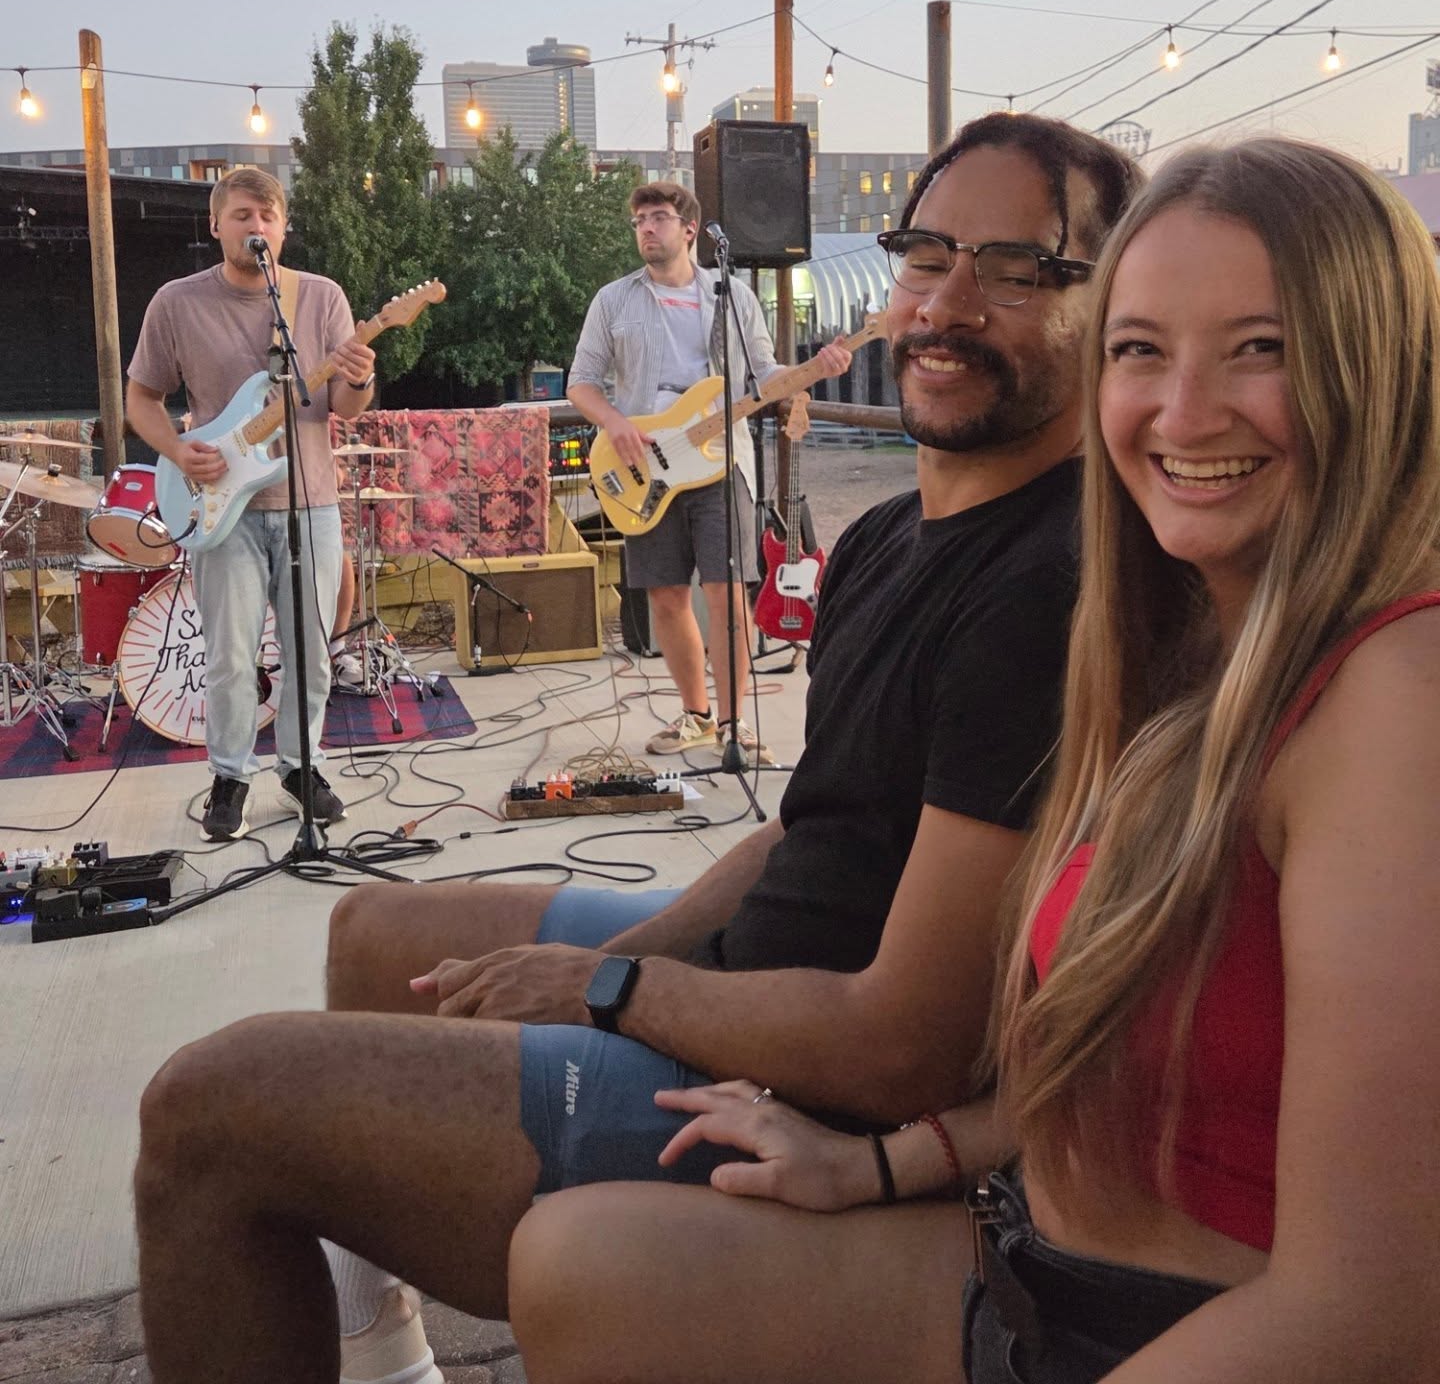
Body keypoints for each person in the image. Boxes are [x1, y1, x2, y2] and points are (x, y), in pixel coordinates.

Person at [130, 116, 1142, 1384]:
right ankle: (379, 1351)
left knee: (207, 1108)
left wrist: (614, 994)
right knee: (372, 939)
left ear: (1108, 306)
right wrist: (625, 954)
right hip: (751, 967)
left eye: (1014, 267)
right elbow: (810, 827)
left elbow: (905, 1051)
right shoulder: (888, 539)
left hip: (803, 1090)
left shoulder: (1053, 589)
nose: (947, 302)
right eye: (927, 254)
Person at [505, 137, 1440, 1384]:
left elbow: (1376, 1314)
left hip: (1140, 1328)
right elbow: (1102, 1048)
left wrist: (607, 987)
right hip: (1026, 1253)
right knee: (574, 1268)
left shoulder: (1393, 700)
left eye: (1259, 348)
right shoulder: (1197, 648)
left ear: (1377, 367)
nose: (1185, 409)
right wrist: (884, 1164)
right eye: (1142, 349)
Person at [127, 166, 375, 839]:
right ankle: (230, 776)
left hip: (310, 504)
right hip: (220, 509)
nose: (255, 227)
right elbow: (141, 398)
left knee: (311, 654)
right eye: (241, 216)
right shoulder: (176, 303)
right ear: (215, 225)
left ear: (284, 227)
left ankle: (301, 766)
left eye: (267, 217)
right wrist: (179, 454)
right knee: (232, 658)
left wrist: (361, 375)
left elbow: (343, 409)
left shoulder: (319, 298)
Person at [567, 180, 851, 764]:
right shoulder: (613, 301)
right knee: (667, 595)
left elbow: (765, 376)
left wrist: (813, 370)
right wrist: (616, 423)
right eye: (640, 219)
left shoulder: (731, 296)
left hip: (722, 462)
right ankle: (696, 715)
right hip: (645, 464)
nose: (647, 227)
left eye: (660, 217)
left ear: (691, 229)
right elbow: (581, 382)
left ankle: (735, 724)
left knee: (727, 595)